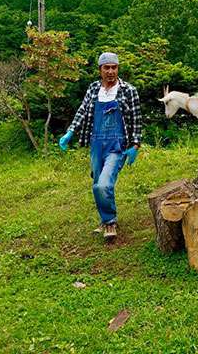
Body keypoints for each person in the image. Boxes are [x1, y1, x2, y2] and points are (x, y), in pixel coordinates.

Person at [59, 52, 142, 241]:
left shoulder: (128, 90)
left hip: (117, 144)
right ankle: (105, 220)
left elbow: (137, 119)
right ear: (100, 70)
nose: (111, 71)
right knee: (97, 184)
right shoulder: (93, 88)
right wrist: (70, 132)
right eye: (107, 68)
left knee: (104, 184)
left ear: (118, 69)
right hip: (96, 143)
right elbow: (82, 110)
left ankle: (110, 222)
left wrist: (135, 145)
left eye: (114, 67)